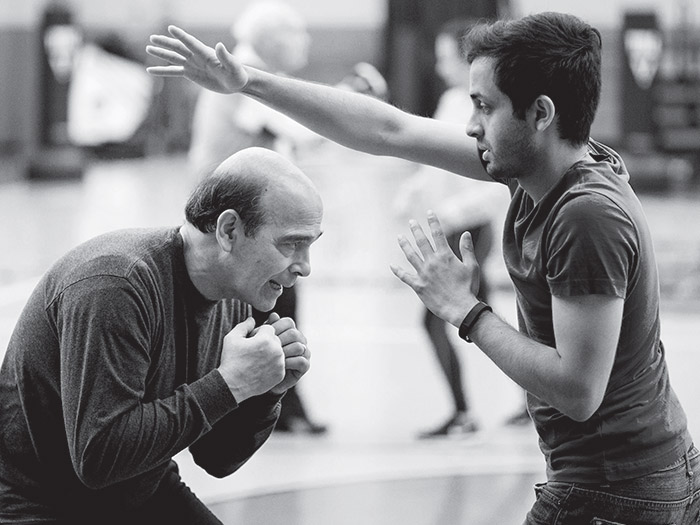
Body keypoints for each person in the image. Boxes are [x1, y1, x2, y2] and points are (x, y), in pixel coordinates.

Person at [146, 11, 699, 523]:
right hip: (624, 478)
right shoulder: (549, 166)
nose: (472, 125)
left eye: (485, 106)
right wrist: (248, 81)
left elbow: (579, 392)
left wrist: (466, 311)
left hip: (617, 490)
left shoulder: (585, 216)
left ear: (541, 114)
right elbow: (389, 131)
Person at [0, 147, 322, 524]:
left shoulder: (234, 297)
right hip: (36, 502)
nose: (305, 267)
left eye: (310, 245)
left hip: (139, 490)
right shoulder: (115, 285)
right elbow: (99, 458)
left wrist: (264, 392)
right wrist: (231, 382)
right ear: (229, 230)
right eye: (291, 243)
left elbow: (217, 458)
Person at [393, 18, 508, 438]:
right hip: (451, 230)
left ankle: (467, 413)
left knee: (454, 322)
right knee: (488, 320)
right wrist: (412, 191)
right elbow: (434, 163)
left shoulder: (486, 109)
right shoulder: (449, 102)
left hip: (469, 234)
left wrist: (451, 213)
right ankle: (528, 401)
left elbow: (499, 186)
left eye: (446, 58)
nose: (441, 68)